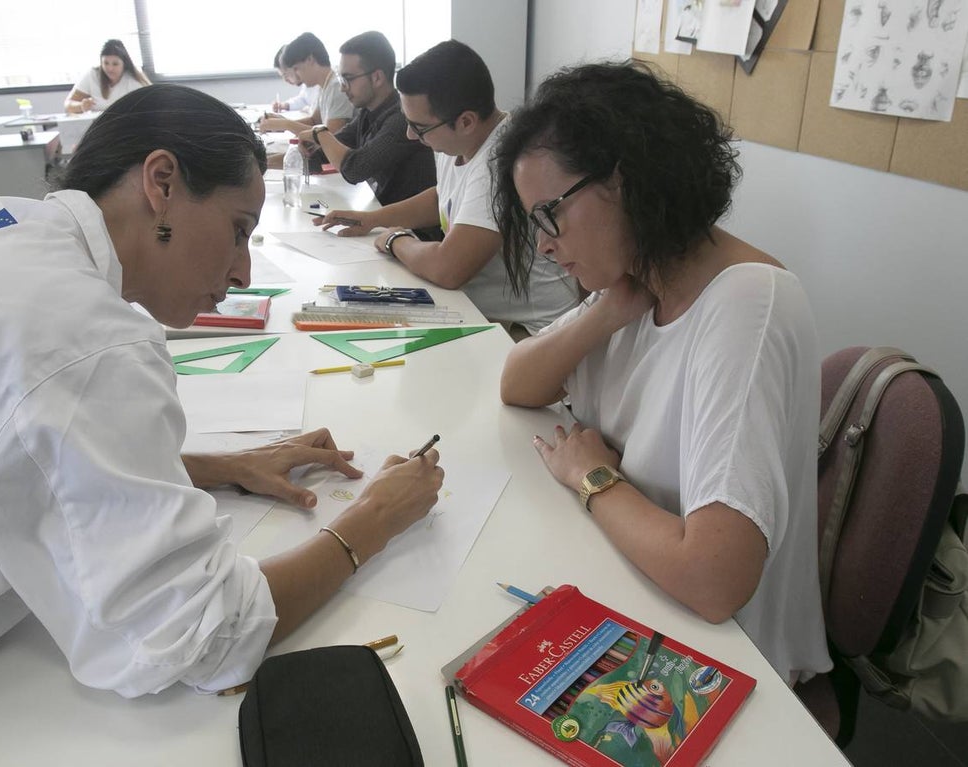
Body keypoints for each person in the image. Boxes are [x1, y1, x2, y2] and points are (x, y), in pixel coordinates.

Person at [0, 84, 443, 767]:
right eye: (238, 228)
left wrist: (216, 464)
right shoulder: (90, 334)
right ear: (162, 182)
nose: (241, 270)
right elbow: (209, 636)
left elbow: (10, 446)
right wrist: (375, 516)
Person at [493, 62, 831, 685]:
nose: (542, 244)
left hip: (724, 657)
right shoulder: (637, 278)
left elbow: (715, 580)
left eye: (549, 216)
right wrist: (605, 315)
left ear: (624, 181)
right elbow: (517, 383)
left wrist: (591, 477)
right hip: (634, 587)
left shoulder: (748, 303)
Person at [314, 40, 579, 336]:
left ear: (465, 121)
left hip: (529, 330)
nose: (410, 135)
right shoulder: (455, 140)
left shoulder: (500, 162)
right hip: (481, 311)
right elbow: (443, 195)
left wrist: (396, 240)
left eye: (419, 127)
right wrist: (374, 219)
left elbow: (448, 268)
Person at [296, 31, 435, 207]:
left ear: (377, 77)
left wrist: (320, 133)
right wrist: (263, 161)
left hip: (410, 229)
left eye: (348, 79)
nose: (342, 88)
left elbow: (355, 169)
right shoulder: (367, 112)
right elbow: (324, 151)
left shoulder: (401, 119)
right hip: (379, 215)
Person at [258, 32, 354, 137]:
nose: (296, 75)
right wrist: (281, 122)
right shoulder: (325, 86)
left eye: (296, 68)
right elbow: (314, 121)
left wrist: (287, 124)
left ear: (310, 59)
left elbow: (332, 137)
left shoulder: (336, 87)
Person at [64, 38, 151, 114]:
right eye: (106, 63)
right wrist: (81, 106)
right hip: (98, 127)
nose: (110, 68)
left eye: (115, 64)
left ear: (124, 64)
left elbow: (151, 106)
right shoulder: (93, 74)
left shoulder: (134, 80)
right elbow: (68, 104)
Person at [270, 45, 319, 113]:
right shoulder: (307, 82)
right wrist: (284, 105)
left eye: (285, 75)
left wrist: (308, 109)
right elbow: (303, 99)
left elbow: (317, 112)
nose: (285, 80)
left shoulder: (319, 82)